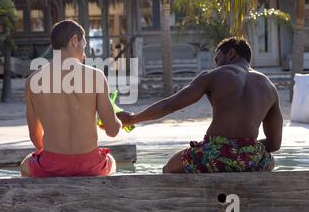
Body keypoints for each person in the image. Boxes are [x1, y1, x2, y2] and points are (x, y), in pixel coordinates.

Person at [118, 37, 283, 173]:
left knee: (169, 169)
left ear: (231, 53)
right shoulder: (269, 87)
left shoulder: (213, 76)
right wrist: (244, 147)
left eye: (217, 59)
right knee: (270, 161)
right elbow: (275, 143)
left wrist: (132, 119)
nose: (216, 65)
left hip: (213, 153)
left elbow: (170, 105)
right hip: (251, 157)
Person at [19, 19, 122, 177]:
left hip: (51, 166)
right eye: (84, 45)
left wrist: (54, 158)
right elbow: (112, 131)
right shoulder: (96, 77)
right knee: (112, 161)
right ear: (74, 40)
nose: (84, 53)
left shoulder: (33, 81)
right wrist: (119, 121)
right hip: (91, 165)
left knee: (25, 165)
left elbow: (34, 135)